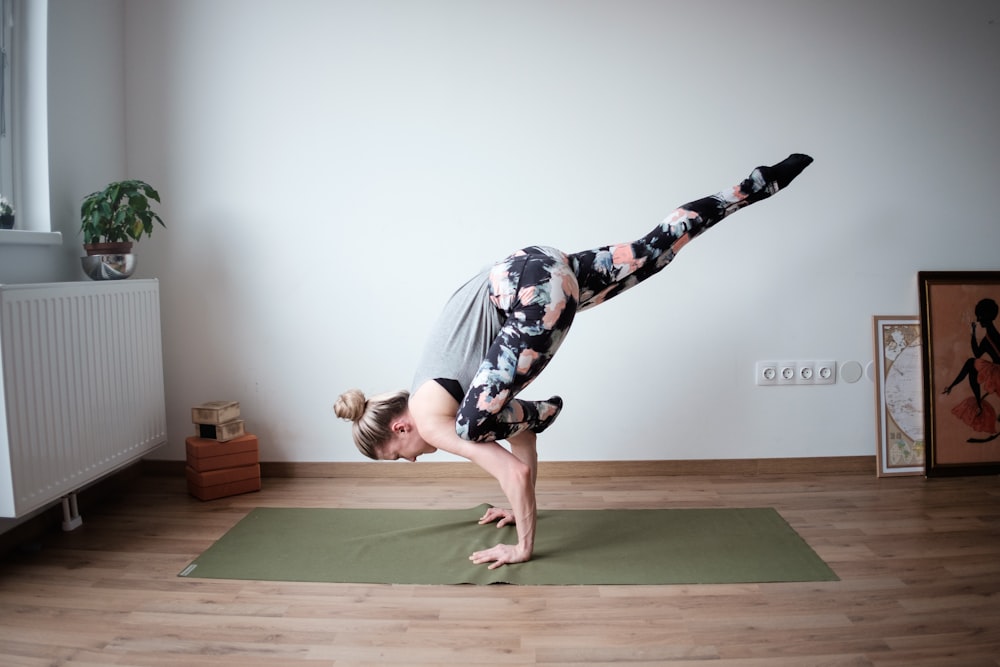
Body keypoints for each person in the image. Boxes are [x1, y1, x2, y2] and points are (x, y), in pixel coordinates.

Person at [335, 153, 814, 569]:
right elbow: (518, 449)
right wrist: (515, 496)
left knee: (472, 427)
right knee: (655, 251)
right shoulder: (453, 387)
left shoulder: (434, 419)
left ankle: (545, 410)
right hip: (539, 266)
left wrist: (522, 545)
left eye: (400, 458)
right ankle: (760, 182)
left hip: (530, 291)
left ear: (399, 429)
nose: (413, 461)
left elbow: (514, 471)